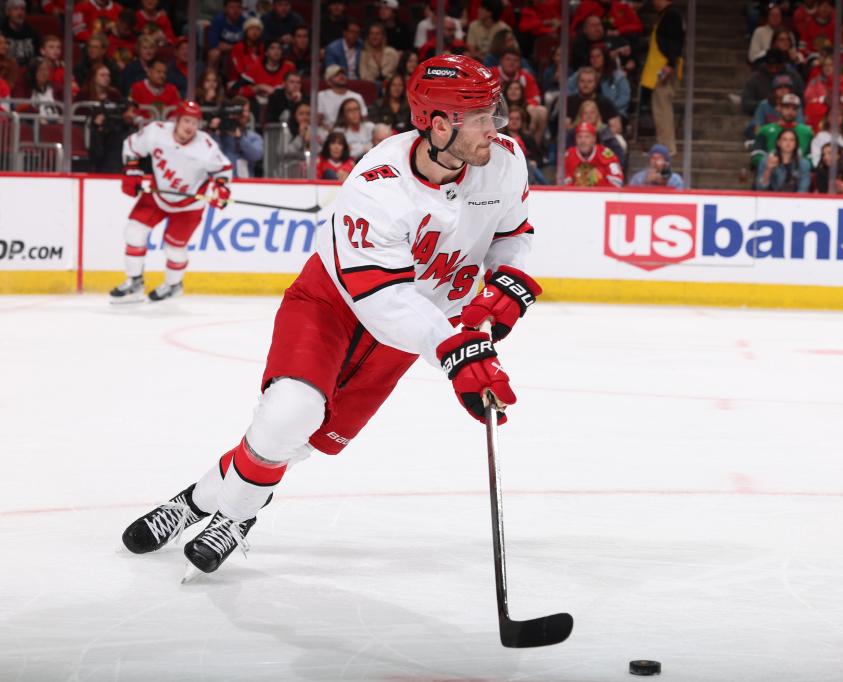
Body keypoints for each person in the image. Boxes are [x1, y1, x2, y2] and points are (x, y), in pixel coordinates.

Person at [120, 55, 541, 578]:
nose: (497, 126)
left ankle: (192, 502)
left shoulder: (504, 160)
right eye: (481, 116)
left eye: (494, 111)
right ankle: (237, 515)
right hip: (334, 305)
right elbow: (381, 298)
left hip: (409, 330)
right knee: (290, 412)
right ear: (438, 124)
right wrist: (455, 353)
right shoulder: (378, 184)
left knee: (306, 439)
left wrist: (503, 289)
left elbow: (513, 235)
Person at [109, 100, 232, 304]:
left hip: (189, 204)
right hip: (158, 194)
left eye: (194, 122)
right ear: (176, 120)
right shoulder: (155, 132)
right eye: (186, 120)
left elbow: (223, 170)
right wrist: (132, 171)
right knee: (134, 231)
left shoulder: (206, 147)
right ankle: (134, 281)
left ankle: (174, 285)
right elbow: (131, 147)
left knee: (174, 248)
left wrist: (221, 189)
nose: (189, 127)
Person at [640, 0, 683, 157]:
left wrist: (670, 64)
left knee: (663, 110)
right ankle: (662, 147)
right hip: (660, 68)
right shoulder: (665, 15)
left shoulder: (671, 15)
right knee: (659, 110)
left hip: (664, 68)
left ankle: (667, 149)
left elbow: (676, 41)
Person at [568, 45, 630, 119]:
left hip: (613, 113)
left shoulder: (618, 76)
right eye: (592, 57)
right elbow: (567, 88)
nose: (595, 59)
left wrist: (608, 108)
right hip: (584, 112)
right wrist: (578, 104)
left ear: (604, 58)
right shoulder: (581, 73)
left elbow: (625, 97)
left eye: (598, 56)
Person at [752, 93, 813, 169]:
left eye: (794, 108)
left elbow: (811, 157)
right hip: (771, 171)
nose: (790, 111)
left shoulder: (807, 132)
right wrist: (770, 162)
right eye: (787, 107)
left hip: (798, 173)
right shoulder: (765, 130)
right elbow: (756, 155)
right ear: (779, 108)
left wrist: (798, 164)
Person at [211, 96, 264, 177]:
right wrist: (214, 133)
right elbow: (211, 156)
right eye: (242, 111)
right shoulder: (218, 135)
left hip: (243, 185)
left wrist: (240, 138)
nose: (245, 114)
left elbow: (256, 155)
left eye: (246, 111)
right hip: (220, 181)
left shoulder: (252, 137)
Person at [563, 121, 624, 187]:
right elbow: (562, 183)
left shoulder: (606, 155)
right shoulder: (568, 155)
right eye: (579, 137)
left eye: (587, 137)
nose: (583, 141)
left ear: (594, 139)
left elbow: (617, 182)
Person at [317, 64, 367, 134]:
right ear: (328, 81)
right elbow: (318, 120)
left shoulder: (357, 96)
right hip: (328, 132)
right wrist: (332, 132)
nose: (341, 76)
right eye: (336, 75)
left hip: (353, 132)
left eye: (342, 73)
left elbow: (364, 118)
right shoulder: (321, 96)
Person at [1, 0, 40, 67]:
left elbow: (38, 56)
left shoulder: (33, 33)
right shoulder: (1, 33)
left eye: (22, 9)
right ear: (7, 12)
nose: (20, 13)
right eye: (15, 9)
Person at [335, 96, 375, 161]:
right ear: (343, 114)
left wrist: (354, 148)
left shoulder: (371, 127)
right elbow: (344, 154)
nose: (354, 113)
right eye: (349, 110)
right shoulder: (339, 133)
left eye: (356, 109)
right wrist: (364, 149)